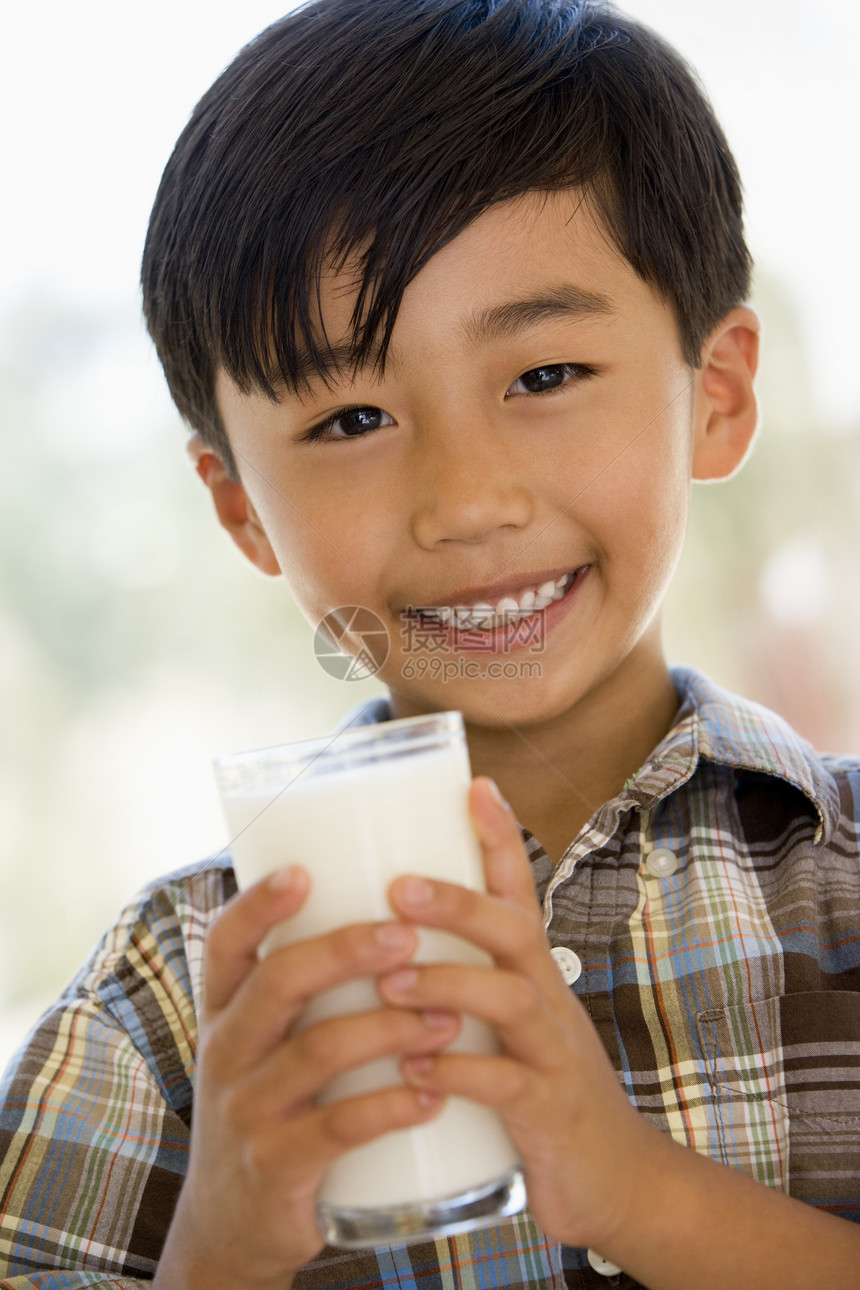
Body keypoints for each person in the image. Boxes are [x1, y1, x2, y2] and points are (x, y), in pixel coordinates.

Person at [2, 0, 859, 1286]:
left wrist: (630, 1190)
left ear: (715, 395)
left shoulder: (839, 893)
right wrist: (222, 1240)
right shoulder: (166, 1015)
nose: (465, 501)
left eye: (542, 376)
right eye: (351, 419)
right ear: (241, 507)